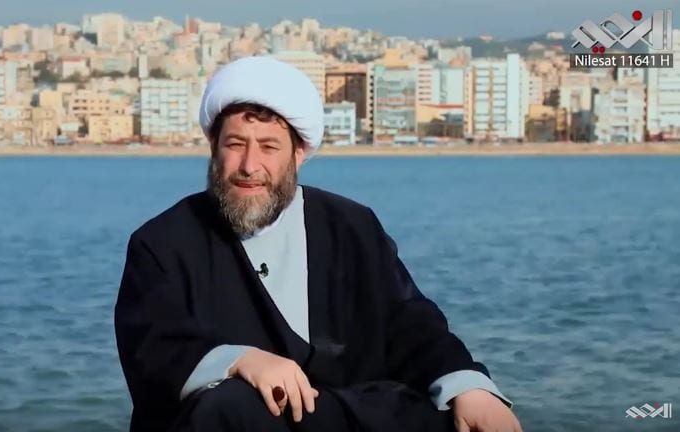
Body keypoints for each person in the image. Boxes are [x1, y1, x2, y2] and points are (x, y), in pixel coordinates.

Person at [115, 56, 523, 432]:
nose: (249, 166)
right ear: (213, 148)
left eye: (269, 147)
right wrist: (239, 361)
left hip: (344, 417)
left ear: (300, 153)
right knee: (231, 405)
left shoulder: (352, 227)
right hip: (237, 422)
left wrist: (467, 385)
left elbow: (410, 325)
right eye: (235, 144)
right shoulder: (162, 243)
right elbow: (152, 350)